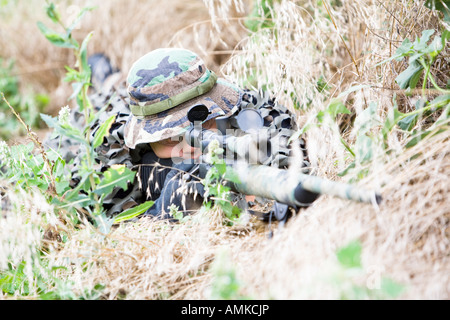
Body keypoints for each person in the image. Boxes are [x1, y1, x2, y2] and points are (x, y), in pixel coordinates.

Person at [49, 48, 310, 219]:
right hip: (111, 106)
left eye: (203, 125)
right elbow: (101, 220)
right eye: (171, 137)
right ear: (148, 139)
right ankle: (100, 68)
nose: (189, 145)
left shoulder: (237, 105)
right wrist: (162, 210)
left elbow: (285, 140)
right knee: (106, 87)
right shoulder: (110, 154)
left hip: (164, 97)